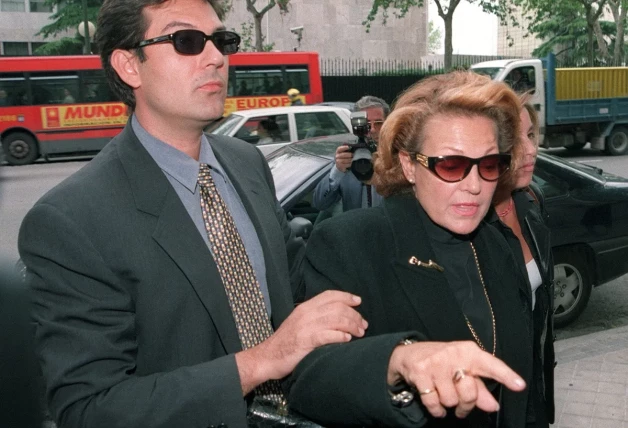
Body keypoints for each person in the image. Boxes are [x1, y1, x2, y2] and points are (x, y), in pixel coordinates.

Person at [18, 1, 367, 427]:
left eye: (222, 41)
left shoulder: (247, 163)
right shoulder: (70, 220)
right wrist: (260, 362)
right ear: (129, 65)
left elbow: (296, 291)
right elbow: (90, 409)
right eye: (186, 41)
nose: (217, 57)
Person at [287, 72, 537, 427]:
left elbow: (523, 388)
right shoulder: (350, 243)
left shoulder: (496, 244)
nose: (474, 185)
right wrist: (398, 360)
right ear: (408, 165)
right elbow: (310, 377)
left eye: (489, 165)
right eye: (451, 164)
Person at [488, 100, 555, 427]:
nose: (530, 150)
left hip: (532, 382)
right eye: (516, 139)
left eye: (531, 134)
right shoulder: (469, 221)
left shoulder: (530, 200)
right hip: (491, 398)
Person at [312, 95, 389, 212]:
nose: (372, 129)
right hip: (357, 227)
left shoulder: (398, 157)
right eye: (366, 124)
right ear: (357, 125)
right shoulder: (347, 156)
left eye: (378, 123)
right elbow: (320, 204)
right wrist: (337, 171)